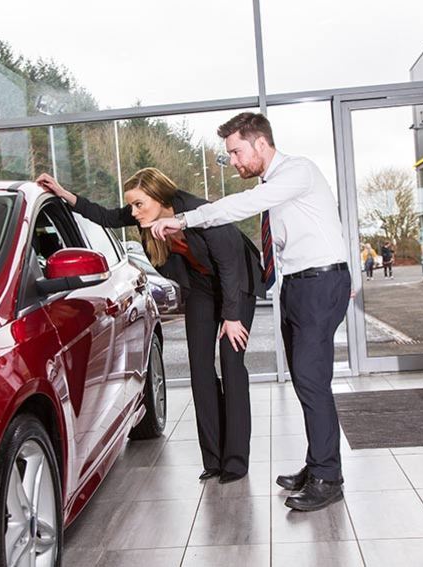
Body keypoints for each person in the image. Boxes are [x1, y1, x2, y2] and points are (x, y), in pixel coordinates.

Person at [147, 112, 350, 512]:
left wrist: (184, 219)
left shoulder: (297, 172)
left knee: (311, 381)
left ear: (260, 143)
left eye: (236, 152)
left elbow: (243, 206)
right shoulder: (274, 185)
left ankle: (328, 478)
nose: (234, 161)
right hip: (297, 285)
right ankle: (320, 464)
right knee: (307, 381)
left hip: (319, 283)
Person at [36, 167, 265, 484]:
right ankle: (214, 459)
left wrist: (232, 316)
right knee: (200, 367)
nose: (133, 212)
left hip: (236, 285)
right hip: (200, 287)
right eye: (132, 205)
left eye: (138, 204)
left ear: (160, 198)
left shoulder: (202, 212)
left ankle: (236, 461)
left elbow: (229, 264)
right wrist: (65, 194)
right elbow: (105, 216)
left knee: (231, 362)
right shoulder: (146, 216)